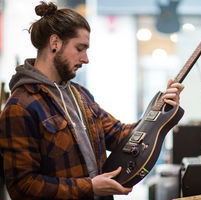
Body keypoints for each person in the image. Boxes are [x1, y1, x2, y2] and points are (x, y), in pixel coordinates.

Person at [0, 1, 184, 200]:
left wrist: (160, 109)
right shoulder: (20, 107)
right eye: (80, 48)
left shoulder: (80, 95)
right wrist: (90, 187)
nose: (86, 58)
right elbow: (22, 187)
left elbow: (120, 135)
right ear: (55, 43)